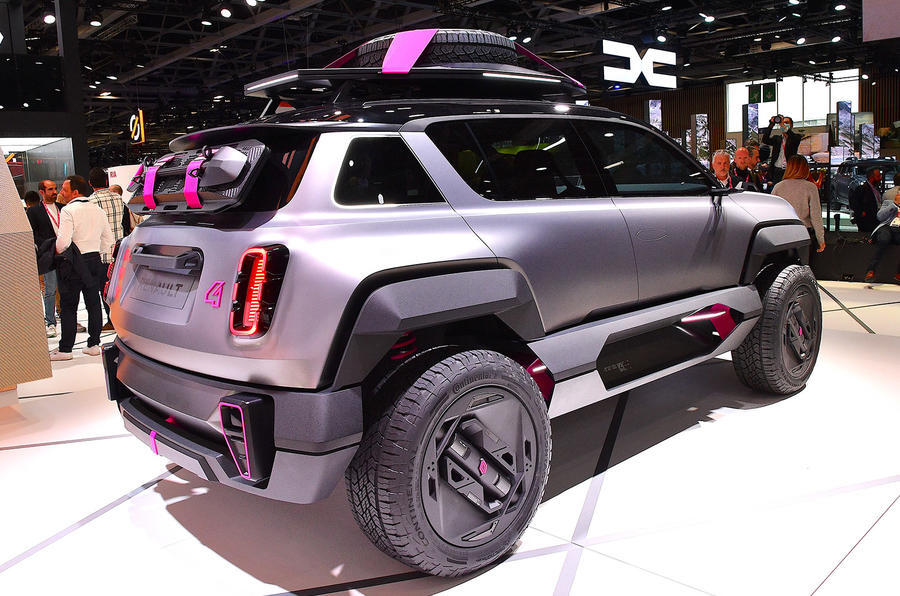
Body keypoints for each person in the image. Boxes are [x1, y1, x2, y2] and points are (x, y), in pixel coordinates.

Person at [51, 175, 113, 361]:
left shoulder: (69, 210)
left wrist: (58, 253)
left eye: (64, 189)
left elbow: (63, 241)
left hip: (73, 261)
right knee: (93, 303)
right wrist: (95, 251)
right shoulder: (98, 210)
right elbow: (108, 240)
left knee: (69, 305)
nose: (61, 192)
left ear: (75, 192)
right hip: (95, 259)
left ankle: (66, 349)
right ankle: (94, 344)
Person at [26, 180, 65, 337]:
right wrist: (44, 247)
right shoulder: (34, 212)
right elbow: (32, 234)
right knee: (49, 289)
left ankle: (67, 317)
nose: (54, 192)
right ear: (42, 192)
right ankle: (50, 322)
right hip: (48, 255)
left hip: (65, 254)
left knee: (67, 288)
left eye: (55, 189)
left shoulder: (63, 209)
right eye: (50, 189)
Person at [88, 167, 124, 331]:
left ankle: (111, 321)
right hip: (121, 251)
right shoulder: (118, 198)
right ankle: (124, 319)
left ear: (90, 183)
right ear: (106, 181)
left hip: (102, 254)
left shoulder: (90, 202)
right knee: (121, 288)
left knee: (105, 288)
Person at [772, 156, 826, 263]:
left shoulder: (778, 187)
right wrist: (821, 239)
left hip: (782, 234)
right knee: (803, 268)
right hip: (803, 233)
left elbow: (771, 214)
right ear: (805, 168)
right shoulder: (810, 188)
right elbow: (816, 216)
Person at [864, 175, 900, 283]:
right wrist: (894, 204)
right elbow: (879, 217)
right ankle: (871, 270)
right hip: (887, 227)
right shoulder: (888, 203)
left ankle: (899, 273)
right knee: (884, 238)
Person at [761, 115, 802, 184]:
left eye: (786, 123)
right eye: (783, 122)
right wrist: (771, 124)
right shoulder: (777, 139)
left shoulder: (796, 137)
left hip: (789, 170)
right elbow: (765, 140)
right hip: (777, 170)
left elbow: (793, 138)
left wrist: (783, 125)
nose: (784, 124)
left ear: (791, 125)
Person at [849, 167, 882, 234]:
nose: (880, 178)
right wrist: (861, 213)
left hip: (875, 219)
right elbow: (854, 203)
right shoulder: (862, 189)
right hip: (866, 221)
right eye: (878, 176)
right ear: (872, 177)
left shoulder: (876, 188)